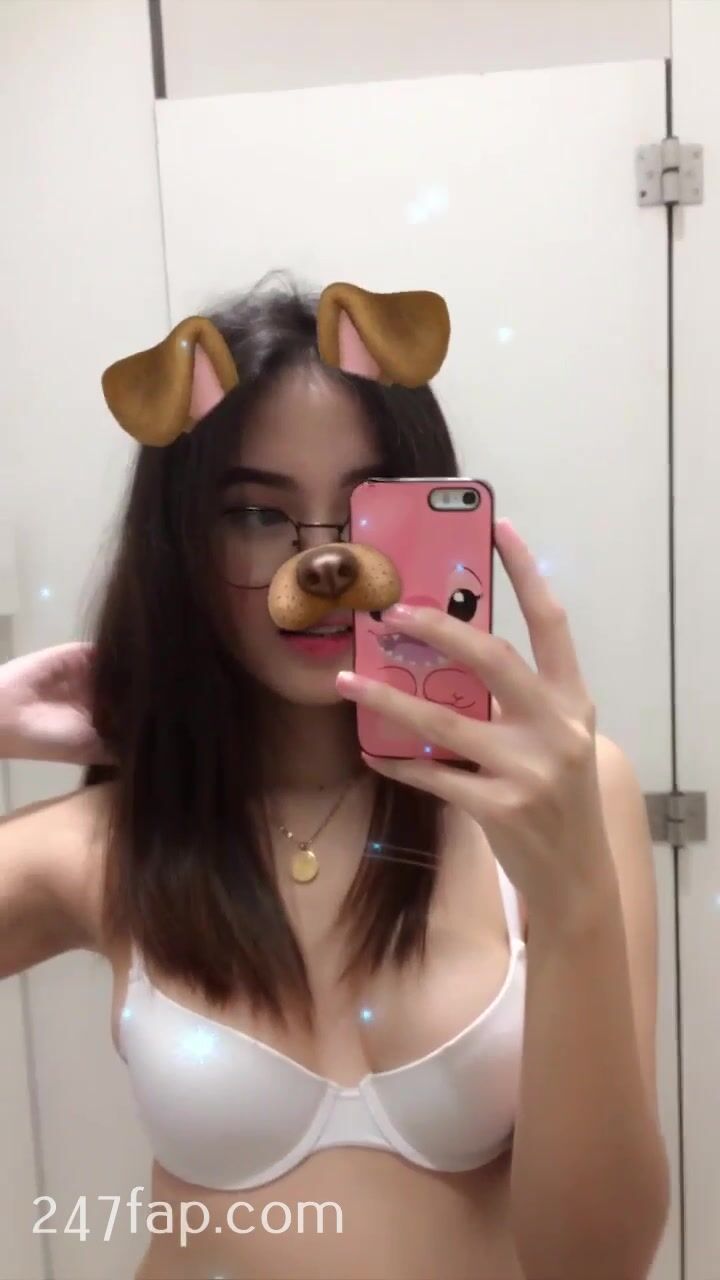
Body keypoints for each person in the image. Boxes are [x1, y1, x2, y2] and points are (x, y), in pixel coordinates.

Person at [0, 276, 670, 1280]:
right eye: (255, 513)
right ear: (181, 546)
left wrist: (574, 897)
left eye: (368, 506)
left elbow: (597, 1263)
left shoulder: (561, 802)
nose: (324, 563)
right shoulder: (106, 843)